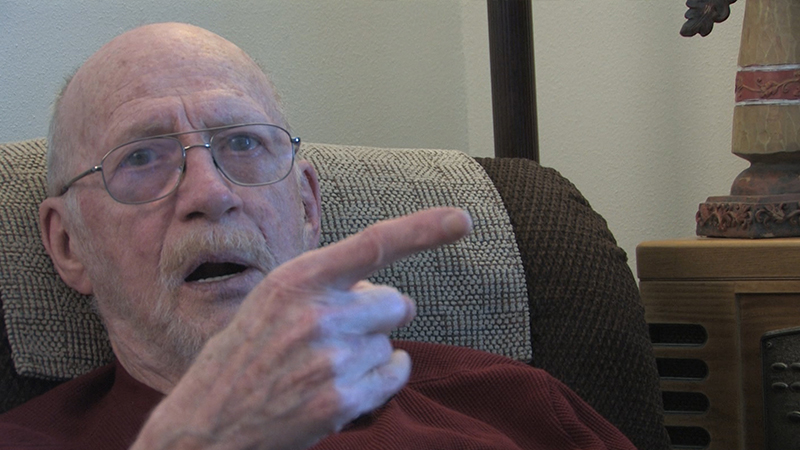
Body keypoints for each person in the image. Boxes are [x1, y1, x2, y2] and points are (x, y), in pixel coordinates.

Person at [0, 23, 636, 450]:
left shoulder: (512, 403)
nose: (210, 193)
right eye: (141, 158)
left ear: (306, 205)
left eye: (242, 143)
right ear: (68, 245)